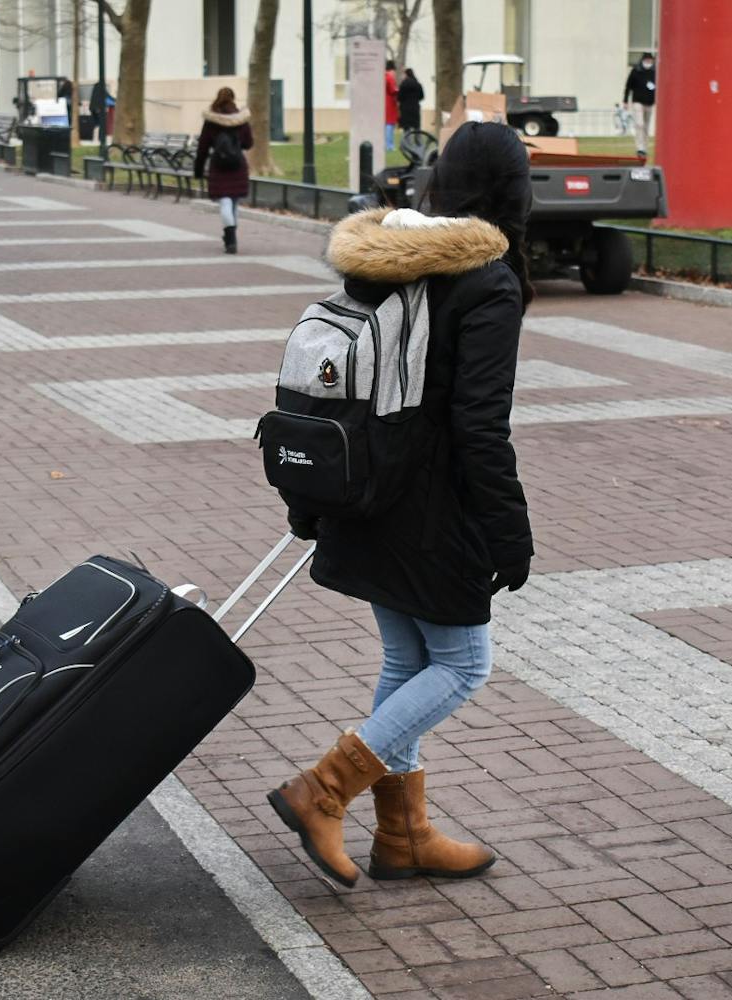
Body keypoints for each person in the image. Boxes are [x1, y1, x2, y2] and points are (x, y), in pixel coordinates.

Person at [267, 121, 534, 889]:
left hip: (363, 492)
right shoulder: (487, 277)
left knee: (409, 658)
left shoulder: (384, 257)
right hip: (430, 511)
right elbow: (480, 427)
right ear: (512, 193)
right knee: (462, 664)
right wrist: (508, 534)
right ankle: (322, 791)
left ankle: (404, 836)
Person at [194, 86, 253, 254]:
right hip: (237, 165)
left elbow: (202, 148)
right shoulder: (241, 119)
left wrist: (198, 170)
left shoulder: (211, 121)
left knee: (225, 201)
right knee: (233, 201)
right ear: (233, 99)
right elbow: (249, 143)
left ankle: (230, 238)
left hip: (218, 166)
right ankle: (231, 237)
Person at [622, 52, 656, 159]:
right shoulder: (636, 71)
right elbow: (628, 86)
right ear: (642, 61)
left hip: (649, 103)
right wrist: (625, 100)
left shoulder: (654, 72)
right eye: (647, 61)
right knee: (639, 124)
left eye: (650, 61)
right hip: (638, 101)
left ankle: (644, 148)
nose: (648, 63)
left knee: (646, 126)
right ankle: (639, 147)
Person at [397, 68, 424, 136]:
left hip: (405, 109)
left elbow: (399, 97)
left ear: (406, 74)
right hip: (415, 108)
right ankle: (418, 144)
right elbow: (422, 96)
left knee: (406, 128)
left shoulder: (403, 84)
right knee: (417, 127)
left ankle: (407, 144)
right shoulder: (418, 84)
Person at [384, 59, 399, 151]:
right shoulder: (390, 77)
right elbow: (393, 90)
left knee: (385, 126)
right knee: (389, 126)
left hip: (383, 104)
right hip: (390, 104)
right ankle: (389, 145)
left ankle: (385, 144)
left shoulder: (383, 77)